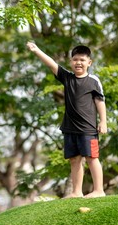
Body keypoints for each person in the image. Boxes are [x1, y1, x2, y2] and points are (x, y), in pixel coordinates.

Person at [26, 41, 107, 198]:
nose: (78, 63)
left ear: (89, 63)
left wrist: (103, 121)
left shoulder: (93, 81)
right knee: (74, 160)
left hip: (88, 129)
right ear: (71, 62)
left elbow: (100, 101)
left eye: (82, 60)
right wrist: (37, 51)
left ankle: (99, 191)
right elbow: (52, 64)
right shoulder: (67, 78)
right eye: (75, 59)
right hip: (70, 128)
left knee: (92, 158)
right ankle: (77, 192)